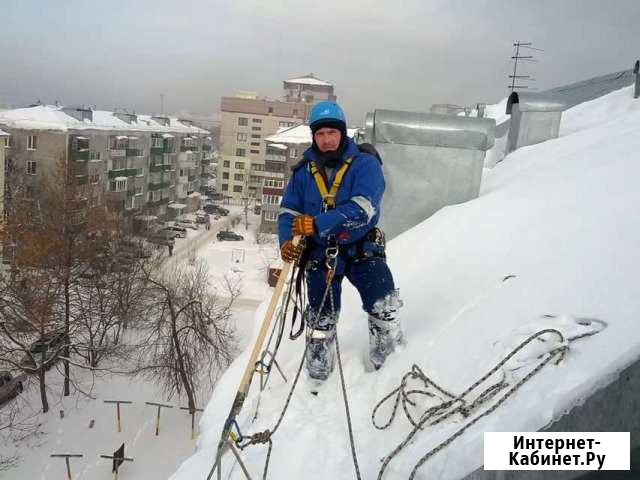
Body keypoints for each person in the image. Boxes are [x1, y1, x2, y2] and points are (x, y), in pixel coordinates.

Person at [278, 100, 403, 381]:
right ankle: (319, 363)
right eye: (320, 134)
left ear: (342, 133)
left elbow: (363, 207)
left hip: (361, 246)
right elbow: (289, 210)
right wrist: (286, 240)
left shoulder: (366, 163)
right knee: (321, 315)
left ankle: (389, 360)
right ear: (313, 136)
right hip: (322, 252)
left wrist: (318, 223)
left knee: (383, 304)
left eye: (331, 133)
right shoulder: (303, 172)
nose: (326, 140)